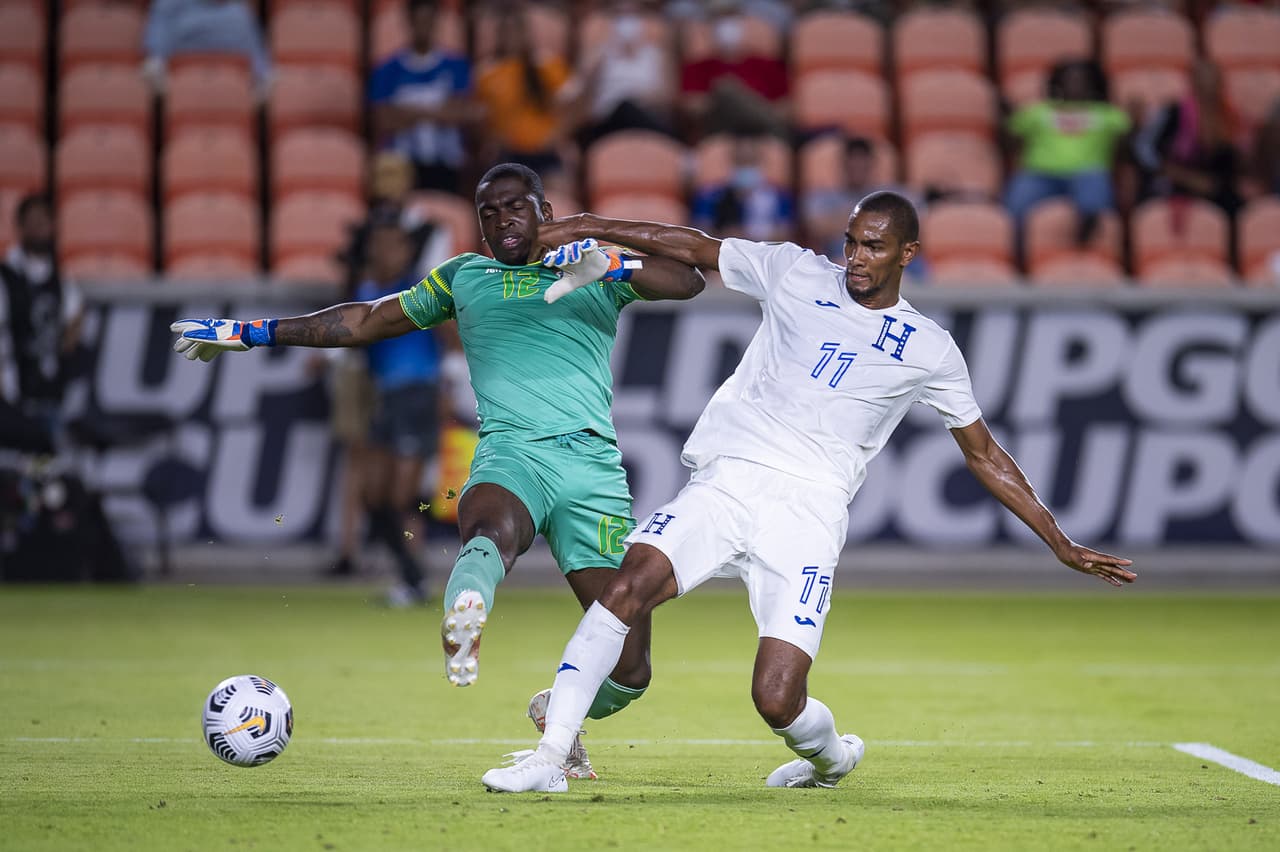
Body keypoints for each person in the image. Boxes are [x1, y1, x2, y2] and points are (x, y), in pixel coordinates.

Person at [479, 191, 1137, 794]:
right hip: (728, 482)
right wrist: (589, 225)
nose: (856, 257)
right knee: (628, 586)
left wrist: (1059, 542)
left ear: (907, 253)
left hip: (809, 514)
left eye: (874, 246)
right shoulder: (795, 272)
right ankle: (550, 755)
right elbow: (694, 246)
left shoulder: (930, 349)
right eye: (851, 241)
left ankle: (833, 759)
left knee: (776, 698)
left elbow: (984, 454)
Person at [170, 163, 704, 778]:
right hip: (513, 453)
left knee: (631, 669)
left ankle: (555, 707)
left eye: (515, 207)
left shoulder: (591, 267)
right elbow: (368, 319)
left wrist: (611, 262)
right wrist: (252, 331)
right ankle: (467, 607)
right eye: (489, 212)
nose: (502, 220)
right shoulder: (464, 278)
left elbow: (687, 281)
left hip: (593, 470)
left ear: (545, 213)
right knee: (489, 531)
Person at [353, 214, 444, 606]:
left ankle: (414, 579)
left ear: (406, 250)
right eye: (378, 244)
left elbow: (451, 337)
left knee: (400, 497)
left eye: (392, 244)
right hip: (386, 398)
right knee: (373, 495)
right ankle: (411, 576)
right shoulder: (366, 289)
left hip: (419, 395)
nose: (383, 252)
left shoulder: (421, 290)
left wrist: (451, 384)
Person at [1003, 59, 1130, 251]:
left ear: (1092, 84)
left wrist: (1137, 122)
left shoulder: (1110, 115)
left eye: (1081, 80)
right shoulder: (1037, 112)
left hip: (1087, 173)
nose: (1075, 85)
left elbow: (1129, 145)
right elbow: (1009, 137)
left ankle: (1087, 231)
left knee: (1096, 187)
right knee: (1015, 203)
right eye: (1070, 79)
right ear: (1058, 83)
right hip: (1039, 174)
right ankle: (1016, 251)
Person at [0, 195, 83, 453]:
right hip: (11, 393)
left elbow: (75, 319)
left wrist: (58, 350)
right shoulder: (6, 277)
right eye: (32, 222)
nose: (38, 229)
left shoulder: (60, 280)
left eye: (43, 222)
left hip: (50, 392)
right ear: (20, 227)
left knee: (47, 464)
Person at [368, 0, 478, 193]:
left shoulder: (456, 66)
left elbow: (459, 114)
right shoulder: (387, 70)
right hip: (403, 164)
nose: (424, 27)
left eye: (428, 20)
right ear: (409, 22)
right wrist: (438, 111)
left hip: (447, 163)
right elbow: (384, 120)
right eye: (419, 21)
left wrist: (406, 112)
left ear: (436, 22)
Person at [474, 6, 575, 185]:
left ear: (526, 33)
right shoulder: (486, 72)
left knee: (558, 188)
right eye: (507, 30)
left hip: (545, 150)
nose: (512, 35)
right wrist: (491, 138)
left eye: (517, 29)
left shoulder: (546, 64)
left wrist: (559, 134)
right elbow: (480, 117)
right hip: (507, 153)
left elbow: (572, 105)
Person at [1132, 59, 1243, 219]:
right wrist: (1182, 176)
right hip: (1173, 182)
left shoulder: (1229, 116)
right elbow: (1143, 149)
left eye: (1213, 80)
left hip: (1214, 188)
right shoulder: (1173, 112)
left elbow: (1231, 164)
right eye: (1204, 80)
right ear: (1193, 82)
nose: (1209, 86)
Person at [142, 0, 273, 100]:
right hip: (183, 81)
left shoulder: (240, 12)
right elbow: (156, 48)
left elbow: (256, 53)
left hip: (232, 87)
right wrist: (157, 61)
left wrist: (261, 73)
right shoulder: (169, 4)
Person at [692, 134, 794, 242]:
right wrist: (726, 237)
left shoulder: (778, 196)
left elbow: (786, 232)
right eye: (741, 162)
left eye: (751, 162)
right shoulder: (711, 196)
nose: (746, 168)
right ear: (730, 164)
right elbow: (702, 230)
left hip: (765, 247)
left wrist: (753, 240)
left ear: (761, 164)